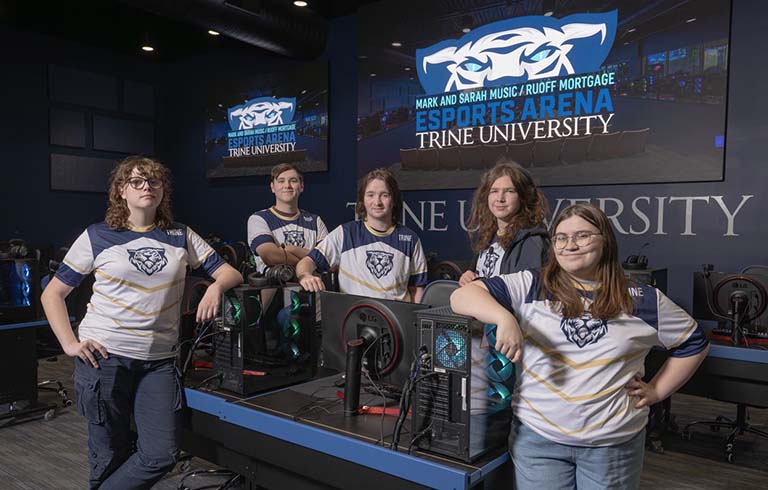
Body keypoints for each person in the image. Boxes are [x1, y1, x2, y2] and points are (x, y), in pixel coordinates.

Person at [450, 203, 709, 490]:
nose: (569, 245)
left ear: (606, 240)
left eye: (582, 236)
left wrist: (658, 390)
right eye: (561, 237)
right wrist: (503, 316)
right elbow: (462, 297)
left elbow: (693, 342)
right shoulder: (531, 285)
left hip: (611, 447)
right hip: (539, 441)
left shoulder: (642, 300)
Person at [41, 156, 243, 490]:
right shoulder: (98, 236)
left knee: (162, 453)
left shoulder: (180, 236)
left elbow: (228, 271)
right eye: (137, 181)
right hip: (104, 358)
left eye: (154, 181)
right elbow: (53, 294)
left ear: (163, 190)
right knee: (108, 457)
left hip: (159, 363)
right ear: (121, 190)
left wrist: (216, 287)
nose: (146, 186)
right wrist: (69, 344)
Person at [296, 168, 427, 302]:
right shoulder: (345, 233)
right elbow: (307, 262)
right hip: (354, 318)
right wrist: (305, 275)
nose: (377, 202)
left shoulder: (410, 239)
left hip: (396, 319)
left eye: (384, 195)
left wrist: (413, 321)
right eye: (370, 195)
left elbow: (416, 289)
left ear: (394, 200)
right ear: (362, 200)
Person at [459, 162, 549, 286]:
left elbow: (528, 294)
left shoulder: (532, 242)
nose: (500, 198)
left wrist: (483, 286)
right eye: (494, 191)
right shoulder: (488, 234)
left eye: (510, 191)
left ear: (524, 197)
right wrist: (468, 276)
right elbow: (476, 274)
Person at [247, 163, 328, 275]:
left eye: (293, 181)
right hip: (275, 289)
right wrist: (306, 266)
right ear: (272, 187)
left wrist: (292, 249)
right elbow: (270, 255)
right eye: (281, 181)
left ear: (301, 186)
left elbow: (329, 260)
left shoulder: (315, 221)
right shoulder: (259, 219)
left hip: (312, 288)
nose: (287, 186)